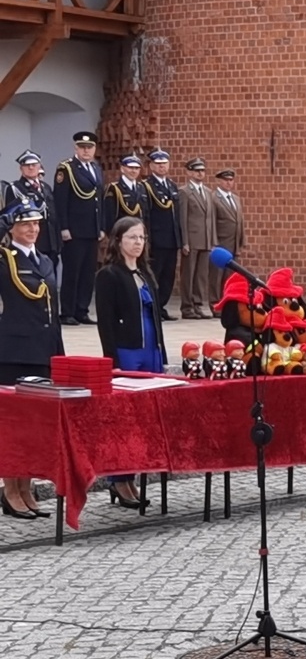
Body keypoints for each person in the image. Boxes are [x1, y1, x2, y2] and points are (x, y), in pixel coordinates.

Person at [94, 217, 165, 510]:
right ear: (118, 240)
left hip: (150, 351)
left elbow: (156, 317)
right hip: (127, 352)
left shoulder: (145, 273)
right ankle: (118, 478)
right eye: (132, 237)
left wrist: (161, 353)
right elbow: (106, 322)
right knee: (124, 419)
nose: (138, 243)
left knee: (145, 420)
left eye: (142, 237)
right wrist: (111, 359)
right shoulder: (109, 275)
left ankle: (133, 474)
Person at [0, 201, 64, 520]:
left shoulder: (45, 260)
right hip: (13, 353)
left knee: (33, 426)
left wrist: (58, 354)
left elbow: (52, 312)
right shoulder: (3, 260)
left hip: (41, 352)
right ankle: (10, 490)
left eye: (37, 223)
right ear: (11, 227)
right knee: (13, 426)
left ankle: (26, 488)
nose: (33, 229)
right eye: (25, 224)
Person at [52, 131, 104, 326]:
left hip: (91, 229)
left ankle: (82, 310)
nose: (86, 151)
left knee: (87, 273)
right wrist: (64, 227)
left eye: (89, 147)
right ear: (76, 148)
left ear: (94, 149)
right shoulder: (66, 168)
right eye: (82, 147)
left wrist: (101, 226)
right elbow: (61, 200)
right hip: (74, 230)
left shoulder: (96, 169)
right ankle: (67, 311)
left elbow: (98, 200)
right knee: (72, 272)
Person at [142, 149, 183, 321]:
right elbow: (146, 215)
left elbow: (176, 216)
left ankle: (161, 306)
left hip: (172, 239)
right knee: (155, 274)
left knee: (168, 276)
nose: (162, 167)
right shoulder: (147, 186)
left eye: (164, 164)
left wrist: (180, 239)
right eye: (158, 164)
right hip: (157, 239)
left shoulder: (172, 186)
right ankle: (152, 307)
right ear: (151, 166)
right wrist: (147, 239)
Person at [5, 151, 61, 268]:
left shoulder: (46, 187)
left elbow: (53, 215)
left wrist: (57, 242)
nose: (31, 168)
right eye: (27, 165)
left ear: (39, 166)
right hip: (31, 242)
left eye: (34, 165)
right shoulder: (15, 188)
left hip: (51, 243)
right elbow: (11, 219)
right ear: (21, 168)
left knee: (50, 275)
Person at [178, 157, 217, 319]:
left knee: (201, 275)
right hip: (192, 240)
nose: (200, 174)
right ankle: (187, 307)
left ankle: (198, 304)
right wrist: (184, 241)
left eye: (202, 171)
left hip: (205, 239)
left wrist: (212, 240)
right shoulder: (185, 192)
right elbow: (183, 218)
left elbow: (211, 218)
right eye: (196, 171)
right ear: (189, 173)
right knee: (188, 274)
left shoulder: (208, 192)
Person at [210, 168, 245, 302]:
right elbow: (212, 221)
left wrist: (241, 240)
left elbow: (240, 221)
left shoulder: (235, 198)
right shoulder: (214, 198)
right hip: (221, 242)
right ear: (219, 181)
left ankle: (227, 300)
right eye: (225, 180)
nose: (229, 183)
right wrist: (213, 242)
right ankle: (215, 302)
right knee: (217, 275)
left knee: (230, 275)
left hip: (234, 242)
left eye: (231, 180)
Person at [104, 154, 150, 236]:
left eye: (136, 168)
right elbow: (110, 216)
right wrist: (113, 236)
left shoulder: (142, 188)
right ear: (122, 169)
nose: (134, 171)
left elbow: (146, 215)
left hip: (139, 233)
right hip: (122, 233)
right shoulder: (114, 188)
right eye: (130, 168)